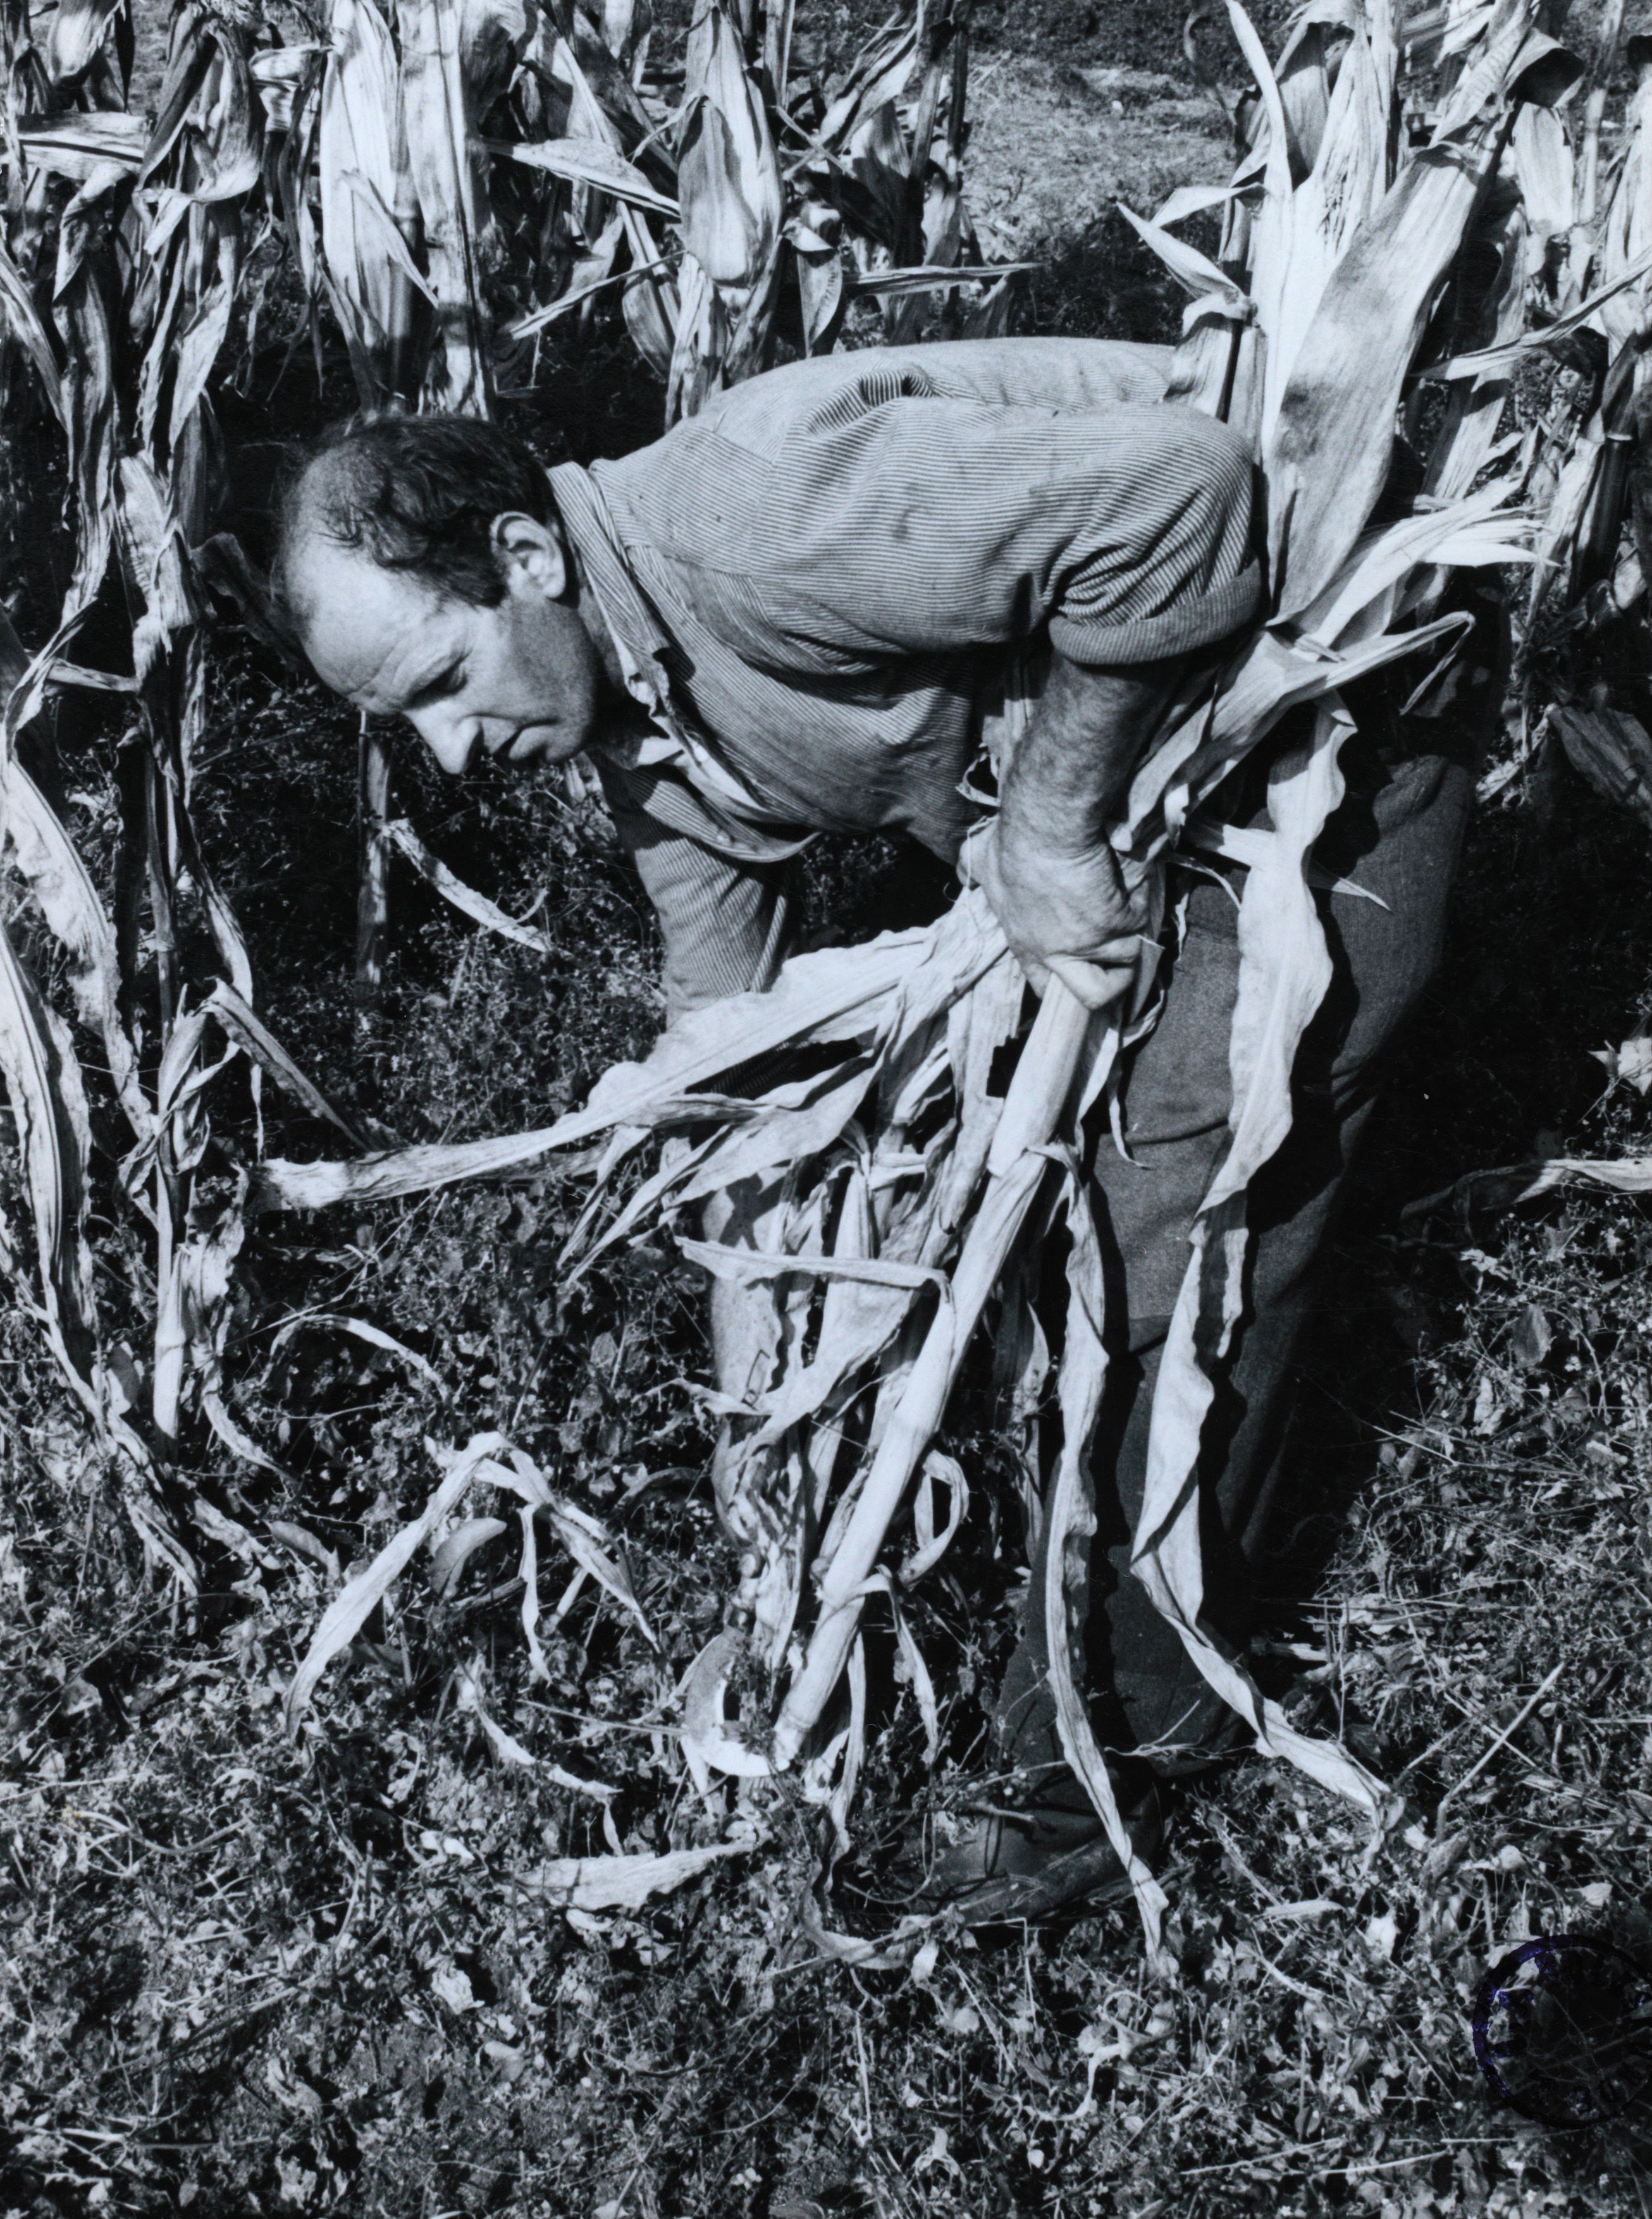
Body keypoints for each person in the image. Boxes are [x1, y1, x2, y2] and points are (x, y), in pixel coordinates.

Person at [272, 338, 1481, 1920]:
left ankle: (1106, 1751)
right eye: (407, 724)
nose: (449, 753)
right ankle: (1042, 1587)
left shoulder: (751, 525)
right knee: (1009, 1226)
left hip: (1313, 730)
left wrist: (1046, 823)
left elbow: (1182, 500)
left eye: (441, 682)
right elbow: (740, 1058)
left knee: (1167, 1223)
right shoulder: (636, 718)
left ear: (526, 556)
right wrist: (758, 1435)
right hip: (1137, 771)